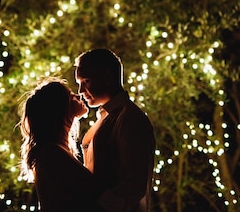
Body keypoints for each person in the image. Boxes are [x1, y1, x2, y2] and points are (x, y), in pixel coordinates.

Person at [75, 49, 156, 212]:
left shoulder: (129, 119)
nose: (80, 91)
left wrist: (95, 204)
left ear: (108, 77)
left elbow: (132, 185)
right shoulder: (107, 118)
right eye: (79, 84)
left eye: (86, 81)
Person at [19, 77, 98, 211]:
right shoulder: (51, 153)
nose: (78, 95)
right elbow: (94, 189)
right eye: (71, 96)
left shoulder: (53, 150)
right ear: (60, 107)